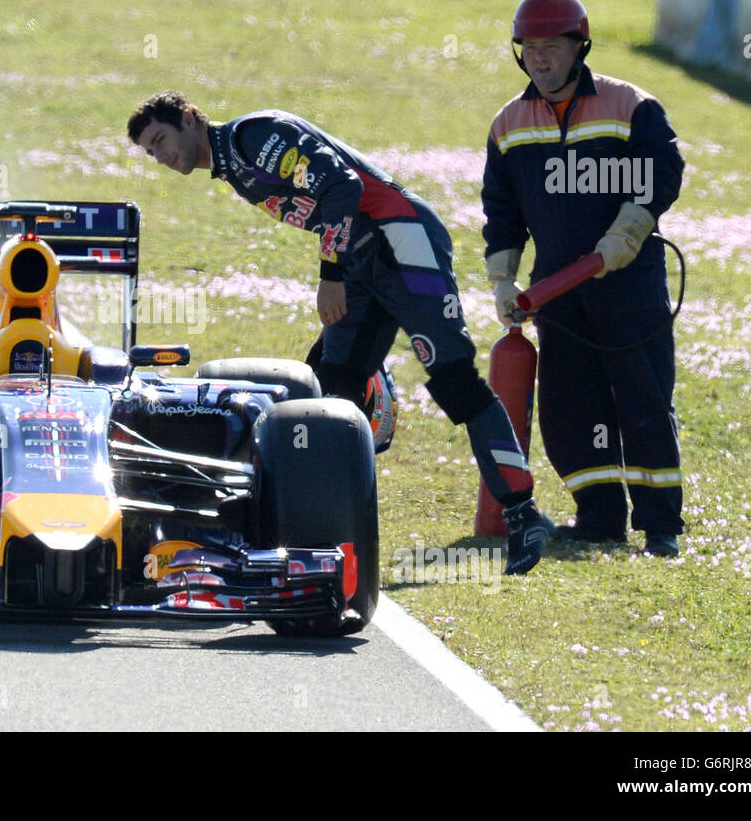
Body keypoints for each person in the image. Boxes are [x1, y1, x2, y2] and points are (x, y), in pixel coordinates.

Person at [128, 91, 555, 575]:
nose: (161, 157)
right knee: (334, 390)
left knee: (456, 381)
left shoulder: (252, 136)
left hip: (401, 240)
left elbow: (342, 187)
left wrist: (330, 275)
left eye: (161, 140)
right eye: (150, 152)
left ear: (189, 117)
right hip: (361, 261)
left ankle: (523, 513)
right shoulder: (232, 166)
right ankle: (324, 530)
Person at [480, 0, 684, 557]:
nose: (540, 58)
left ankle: (660, 526)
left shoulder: (632, 106)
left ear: (580, 46)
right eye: (530, 47)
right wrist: (503, 279)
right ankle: (598, 518)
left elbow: (660, 173)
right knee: (571, 405)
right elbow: (502, 211)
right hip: (557, 294)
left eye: (552, 46)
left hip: (629, 285)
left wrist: (626, 233)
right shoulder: (508, 124)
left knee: (642, 398)